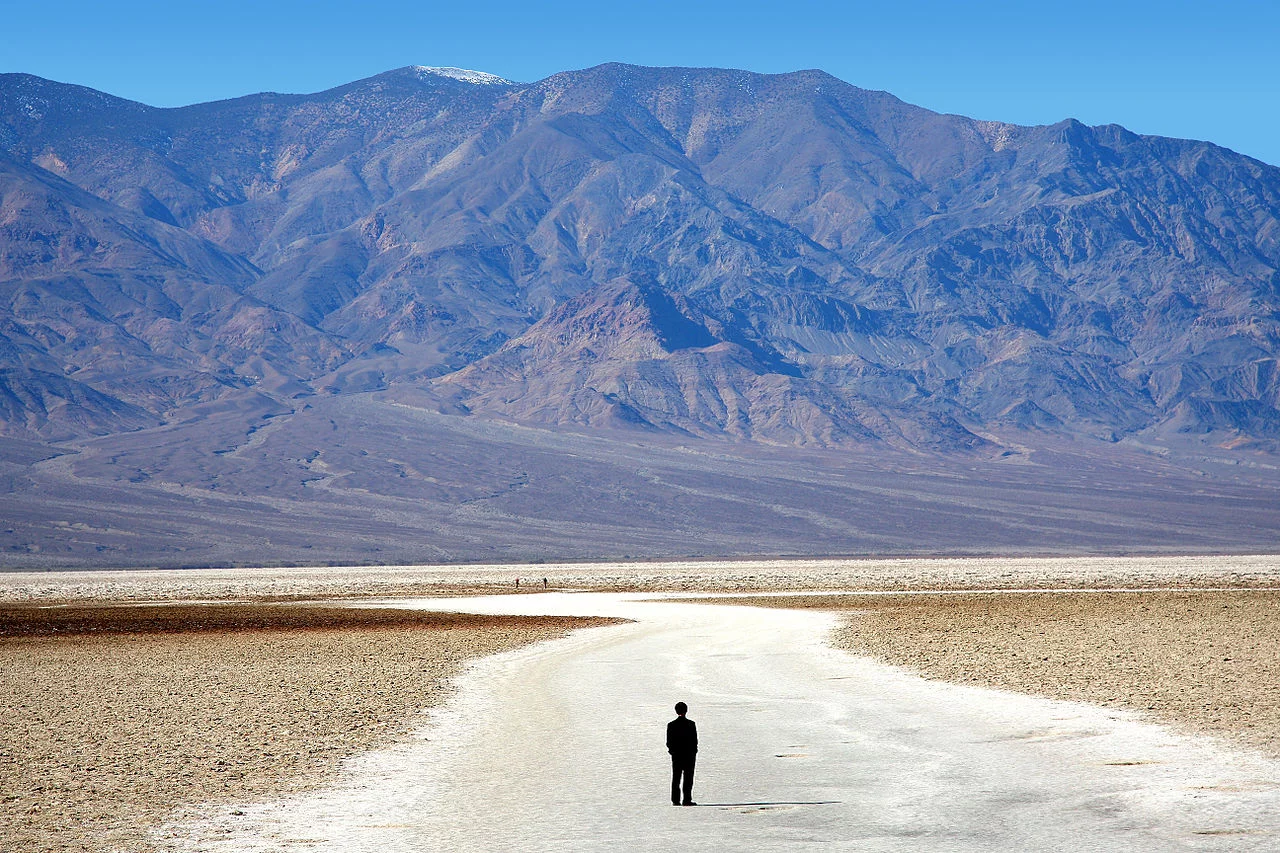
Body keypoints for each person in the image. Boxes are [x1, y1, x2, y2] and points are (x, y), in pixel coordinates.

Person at [666, 701, 698, 806]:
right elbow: (694, 741)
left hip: (677, 756)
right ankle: (686, 799)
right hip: (689, 755)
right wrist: (694, 752)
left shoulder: (671, 725)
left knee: (676, 778)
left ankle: (675, 800)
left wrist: (672, 752)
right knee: (688, 778)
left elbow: (669, 742)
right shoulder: (691, 724)